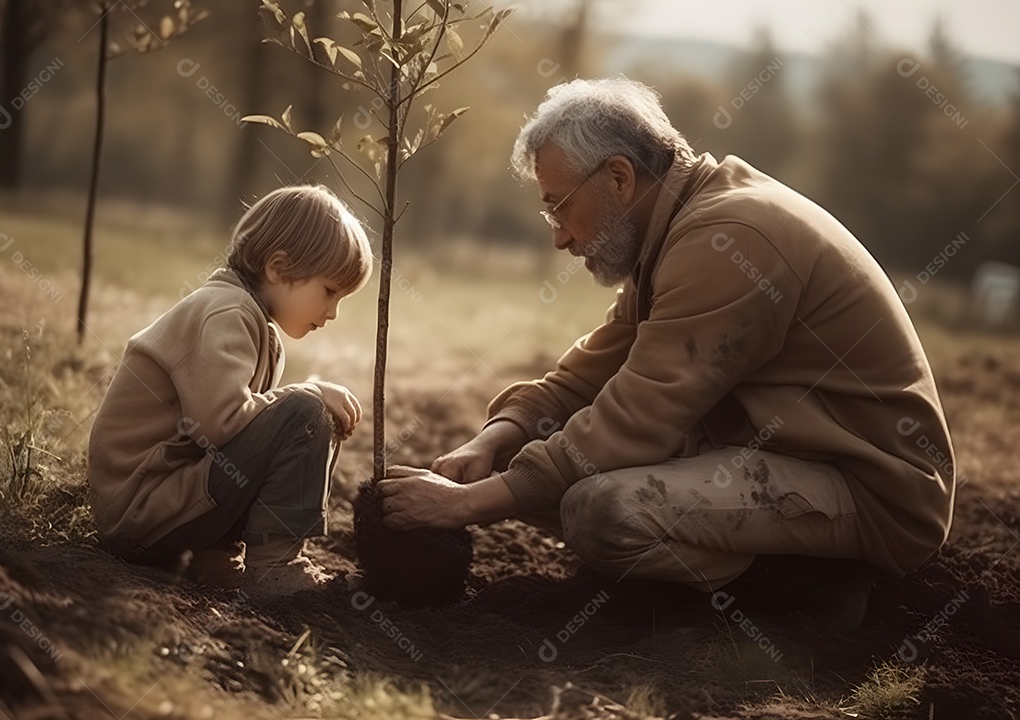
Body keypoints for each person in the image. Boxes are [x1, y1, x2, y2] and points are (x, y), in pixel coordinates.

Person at [379, 78, 956, 627]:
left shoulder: (728, 238)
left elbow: (637, 418)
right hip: (782, 459)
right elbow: (585, 378)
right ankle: (720, 572)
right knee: (525, 461)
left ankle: (818, 585)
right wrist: (490, 443)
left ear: (619, 177)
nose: (559, 235)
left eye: (559, 206)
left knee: (601, 511)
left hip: (866, 490)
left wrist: (463, 506)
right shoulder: (678, 230)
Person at [88, 185, 372, 598]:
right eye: (329, 291)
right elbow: (221, 426)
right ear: (278, 269)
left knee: (301, 413)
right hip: (141, 513)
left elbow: (238, 441)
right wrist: (307, 395)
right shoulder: (227, 312)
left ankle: (213, 554)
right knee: (306, 413)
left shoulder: (251, 320)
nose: (333, 312)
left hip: (158, 510)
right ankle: (276, 566)